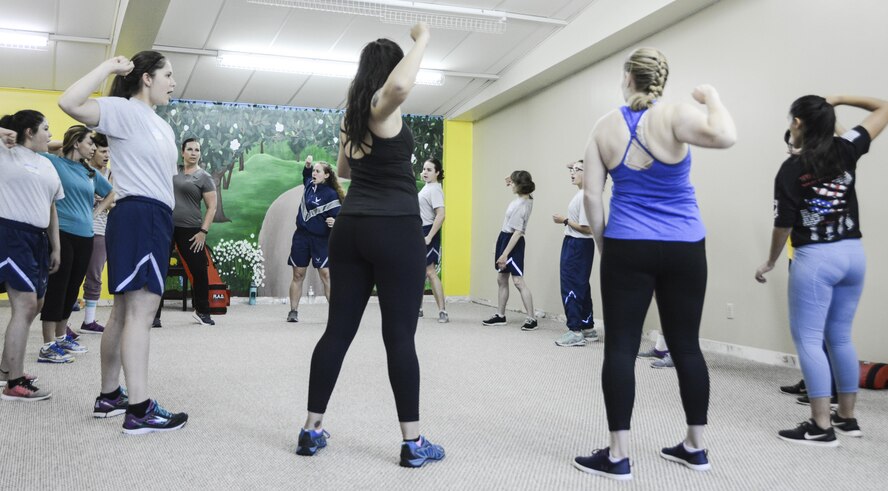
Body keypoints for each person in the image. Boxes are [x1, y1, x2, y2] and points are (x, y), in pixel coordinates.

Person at [576, 47, 736, 480]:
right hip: (686, 246)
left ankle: (618, 456)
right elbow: (726, 135)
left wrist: (606, 245)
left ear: (628, 77)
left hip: (628, 244)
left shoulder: (604, 126)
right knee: (686, 345)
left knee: (621, 347)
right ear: (660, 79)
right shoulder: (677, 116)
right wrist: (712, 97)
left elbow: (592, 197)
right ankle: (695, 447)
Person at [297, 23, 445, 468]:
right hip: (395, 229)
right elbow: (401, 84)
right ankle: (413, 444)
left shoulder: (353, 116)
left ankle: (311, 430)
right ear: (388, 69)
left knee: (337, 331)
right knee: (399, 335)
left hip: (351, 228)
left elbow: (343, 167)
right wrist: (423, 41)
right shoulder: (383, 106)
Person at [59, 51, 188, 432]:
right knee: (140, 315)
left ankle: (110, 395)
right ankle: (140, 409)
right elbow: (68, 102)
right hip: (141, 216)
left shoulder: (159, 124)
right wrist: (110, 68)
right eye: (168, 74)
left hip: (150, 218)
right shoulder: (124, 110)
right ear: (146, 78)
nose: (173, 82)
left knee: (121, 313)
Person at [755, 94, 888, 446]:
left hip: (816, 259)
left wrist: (769, 260)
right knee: (840, 337)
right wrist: (840, 99)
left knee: (810, 340)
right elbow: (885, 107)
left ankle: (820, 426)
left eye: (790, 122)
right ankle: (847, 419)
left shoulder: (790, 169)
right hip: (853, 255)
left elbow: (782, 227)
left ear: (797, 123)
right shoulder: (846, 149)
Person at [0, 111, 62, 400]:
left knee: (35, 305)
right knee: (24, 306)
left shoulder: (48, 165)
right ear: (28, 131)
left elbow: (51, 209)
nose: (50, 134)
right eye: (46, 129)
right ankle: (14, 383)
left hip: (39, 239)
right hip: (11, 235)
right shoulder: (6, 153)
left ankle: (5, 370)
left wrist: (56, 246)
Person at [37, 125, 112, 363]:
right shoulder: (54, 162)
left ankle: (61, 338)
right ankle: (48, 345)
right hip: (61, 232)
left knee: (72, 290)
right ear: (77, 143)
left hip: (86, 235)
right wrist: (66, 142)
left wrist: (98, 210)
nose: (93, 148)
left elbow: (112, 193)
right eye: (90, 142)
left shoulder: (89, 172)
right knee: (58, 287)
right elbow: (38, 146)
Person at [154, 137, 217, 327]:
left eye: (197, 150)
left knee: (199, 271)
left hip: (191, 230)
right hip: (166, 227)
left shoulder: (204, 177)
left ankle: (203, 312)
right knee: (159, 270)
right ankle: (153, 315)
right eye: (189, 149)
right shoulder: (173, 171)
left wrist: (203, 231)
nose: (193, 153)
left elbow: (212, 207)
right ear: (182, 152)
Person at [287, 155, 343, 323]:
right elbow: (305, 175)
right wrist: (307, 165)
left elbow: (341, 218)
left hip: (321, 241)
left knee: (326, 275)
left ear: (326, 175)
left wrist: (335, 222)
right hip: (301, 238)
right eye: (314, 171)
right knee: (298, 274)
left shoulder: (331, 195)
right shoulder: (309, 185)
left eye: (318, 171)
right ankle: (293, 311)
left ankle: (336, 316)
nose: (314, 173)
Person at [481, 170, 537, 331]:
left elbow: (518, 232)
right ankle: (500, 315)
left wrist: (505, 254)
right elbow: (516, 182)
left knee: (518, 281)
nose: (509, 184)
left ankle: (532, 319)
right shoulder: (526, 197)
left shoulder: (522, 205)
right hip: (505, 238)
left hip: (513, 241)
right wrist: (512, 179)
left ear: (520, 185)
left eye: (512, 183)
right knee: (501, 278)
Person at [553, 160, 597, 347]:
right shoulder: (584, 193)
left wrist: (564, 221)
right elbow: (572, 166)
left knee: (570, 285)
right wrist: (578, 164)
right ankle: (588, 328)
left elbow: (588, 229)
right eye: (572, 169)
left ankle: (575, 331)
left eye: (577, 170)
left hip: (578, 245)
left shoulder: (586, 196)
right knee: (581, 286)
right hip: (579, 246)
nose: (572, 172)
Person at [79, 132, 114, 334]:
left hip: (101, 230)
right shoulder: (82, 170)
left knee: (94, 275)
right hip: (78, 228)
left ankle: (89, 321)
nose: (107, 155)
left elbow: (115, 201)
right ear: (92, 151)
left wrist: (103, 204)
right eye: (102, 151)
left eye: (109, 151)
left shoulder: (111, 174)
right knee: (70, 275)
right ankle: (60, 322)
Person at [417, 157, 447, 323]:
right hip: (421, 231)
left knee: (430, 271)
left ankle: (443, 311)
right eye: (424, 169)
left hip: (429, 232)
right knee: (420, 272)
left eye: (429, 170)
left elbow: (441, 215)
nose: (425, 172)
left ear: (437, 173)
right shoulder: (427, 188)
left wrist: (429, 236)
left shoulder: (435, 189)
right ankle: (419, 309)